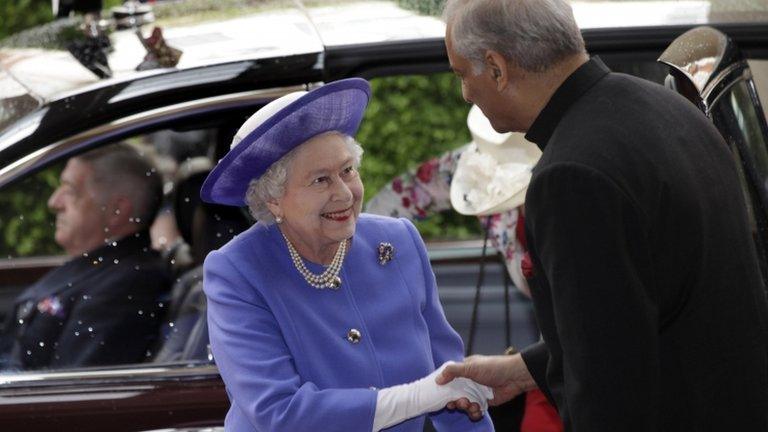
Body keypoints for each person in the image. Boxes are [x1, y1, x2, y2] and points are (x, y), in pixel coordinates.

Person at [437, 1, 768, 431]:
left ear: (497, 68)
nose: (464, 92)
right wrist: (523, 370)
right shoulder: (668, 106)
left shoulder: (571, 177)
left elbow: (609, 389)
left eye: (462, 74)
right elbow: (644, 312)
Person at [199, 78, 494, 431]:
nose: (344, 193)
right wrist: (417, 397)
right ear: (272, 199)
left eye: (347, 171)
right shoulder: (237, 271)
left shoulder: (398, 240)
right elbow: (280, 412)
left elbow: (452, 384)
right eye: (321, 180)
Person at [367, 105, 562, 432]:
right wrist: (370, 268)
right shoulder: (479, 163)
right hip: (550, 347)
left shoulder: (577, 183)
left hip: (574, 343)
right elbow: (390, 206)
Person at [0, 143, 171, 370]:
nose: (54, 202)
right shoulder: (102, 266)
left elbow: (67, 391)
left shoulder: (127, 284)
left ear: (117, 211)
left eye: (70, 190)